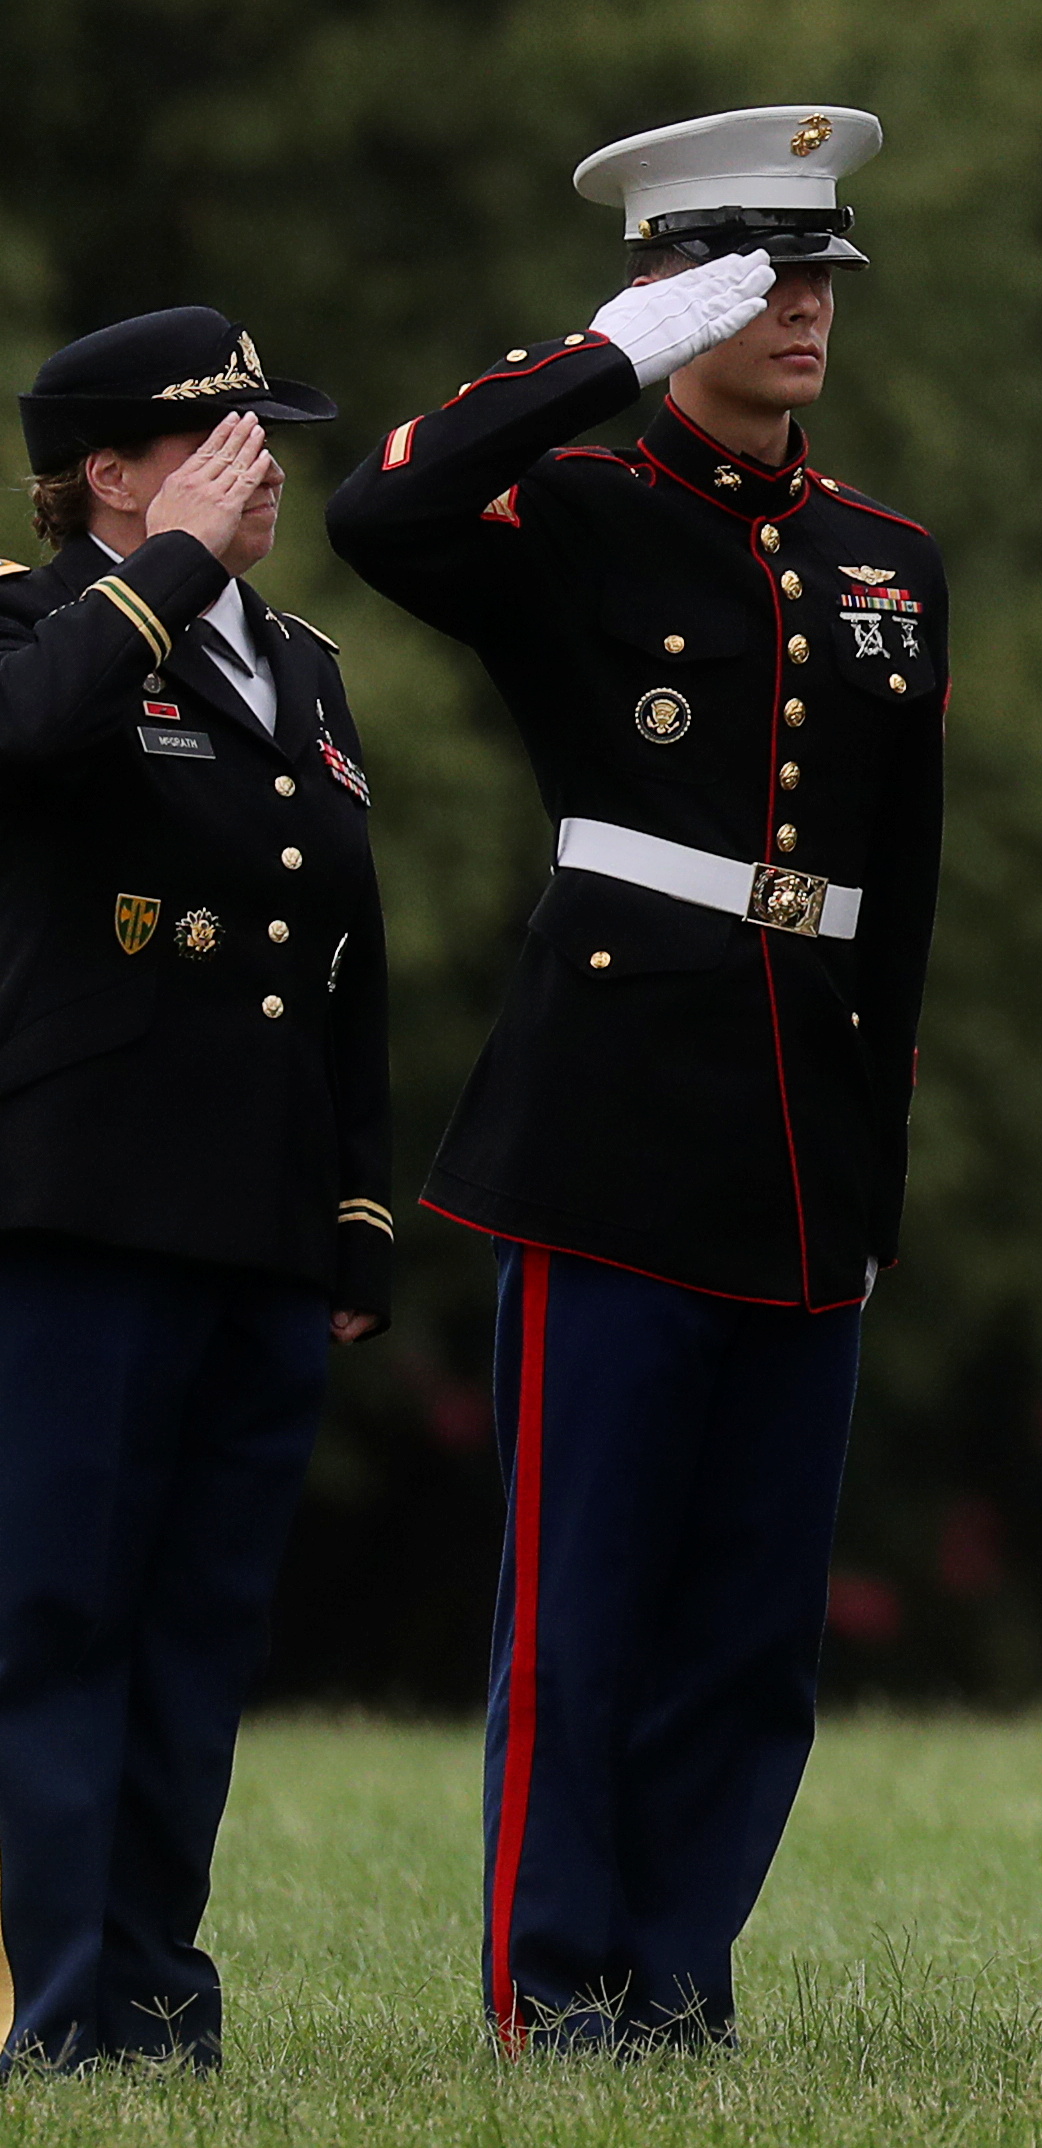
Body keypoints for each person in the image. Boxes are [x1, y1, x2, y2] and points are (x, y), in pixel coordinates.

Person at [325, 105, 945, 2049]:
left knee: (753, 1636)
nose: (802, 314)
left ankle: (679, 1978)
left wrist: (875, 1180)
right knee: (582, 1605)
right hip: (607, 1124)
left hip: (802, 1140)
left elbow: (901, 884)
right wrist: (610, 355)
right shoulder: (579, 510)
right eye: (758, 281)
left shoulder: (888, 561)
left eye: (818, 277)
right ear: (683, 291)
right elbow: (385, 510)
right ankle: (554, 1983)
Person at [0, 308, 389, 2072]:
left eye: (268, 437)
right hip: (79, 1210)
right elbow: (30, 739)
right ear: (112, 474)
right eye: (220, 442)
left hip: (256, 1217)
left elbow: (343, 956)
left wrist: (357, 1205)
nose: (264, 468)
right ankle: (51, 2005)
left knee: (198, 1629)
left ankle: (156, 1998)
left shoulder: (299, 667)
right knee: (58, 1614)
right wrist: (151, 571)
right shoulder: (38, 624)